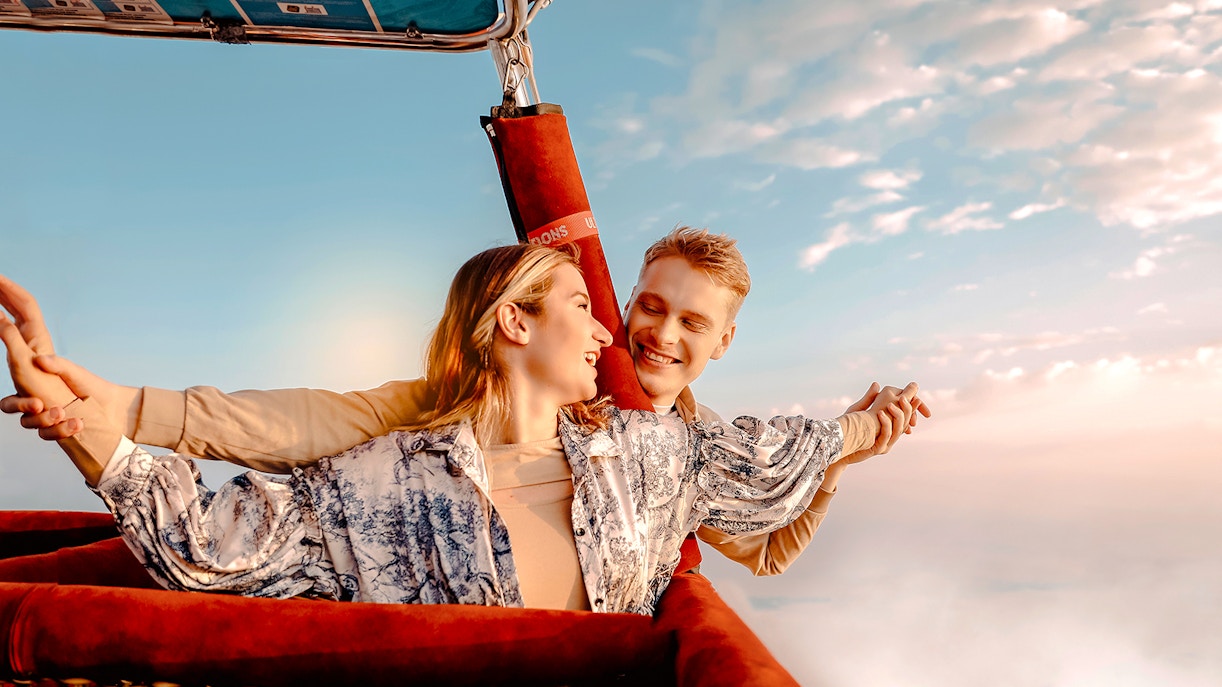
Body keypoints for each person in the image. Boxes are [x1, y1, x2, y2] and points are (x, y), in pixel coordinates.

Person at [0, 244, 923, 614]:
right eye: (644, 306)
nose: (644, 335)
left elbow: (770, 516)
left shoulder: (669, 456)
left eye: (693, 324)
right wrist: (107, 412)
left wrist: (853, 442)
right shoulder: (410, 448)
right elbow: (302, 426)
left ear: (723, 345)